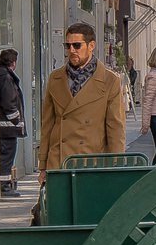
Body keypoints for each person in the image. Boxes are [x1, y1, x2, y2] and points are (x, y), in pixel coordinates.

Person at [37, 22, 127, 185]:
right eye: (68, 45)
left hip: (91, 162)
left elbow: (115, 128)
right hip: (59, 162)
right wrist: (43, 165)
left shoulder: (109, 80)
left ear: (91, 45)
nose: (71, 50)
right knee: (57, 209)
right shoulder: (55, 78)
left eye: (77, 45)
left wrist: (116, 166)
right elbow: (47, 125)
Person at [0, 49, 25, 197]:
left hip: (3, 126)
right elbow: (9, 101)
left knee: (4, 155)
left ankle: (3, 184)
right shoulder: (6, 78)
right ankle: (4, 186)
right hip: (8, 128)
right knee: (6, 156)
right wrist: (16, 119)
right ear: (14, 63)